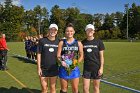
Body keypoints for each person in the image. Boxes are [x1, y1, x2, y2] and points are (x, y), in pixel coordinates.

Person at [57, 23, 83, 93]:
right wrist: (61, 62)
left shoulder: (78, 43)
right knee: (64, 89)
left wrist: (75, 63)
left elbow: (81, 55)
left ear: (74, 32)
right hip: (63, 68)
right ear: (65, 32)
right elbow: (58, 56)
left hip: (74, 69)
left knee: (75, 89)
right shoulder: (61, 43)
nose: (69, 32)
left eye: (71, 31)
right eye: (67, 31)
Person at [82, 24, 105, 93]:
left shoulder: (99, 42)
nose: (90, 31)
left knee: (96, 88)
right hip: (86, 68)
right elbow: (80, 55)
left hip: (96, 68)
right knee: (85, 88)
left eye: (91, 30)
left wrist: (101, 68)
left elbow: (101, 56)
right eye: (88, 30)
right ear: (86, 31)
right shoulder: (82, 43)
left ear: (94, 31)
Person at [37, 24, 59, 93]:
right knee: (44, 88)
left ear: (57, 31)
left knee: (53, 88)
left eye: (54, 30)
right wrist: (39, 68)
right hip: (43, 68)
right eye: (51, 29)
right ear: (49, 30)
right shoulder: (42, 41)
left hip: (54, 68)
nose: (53, 31)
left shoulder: (59, 41)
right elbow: (38, 54)